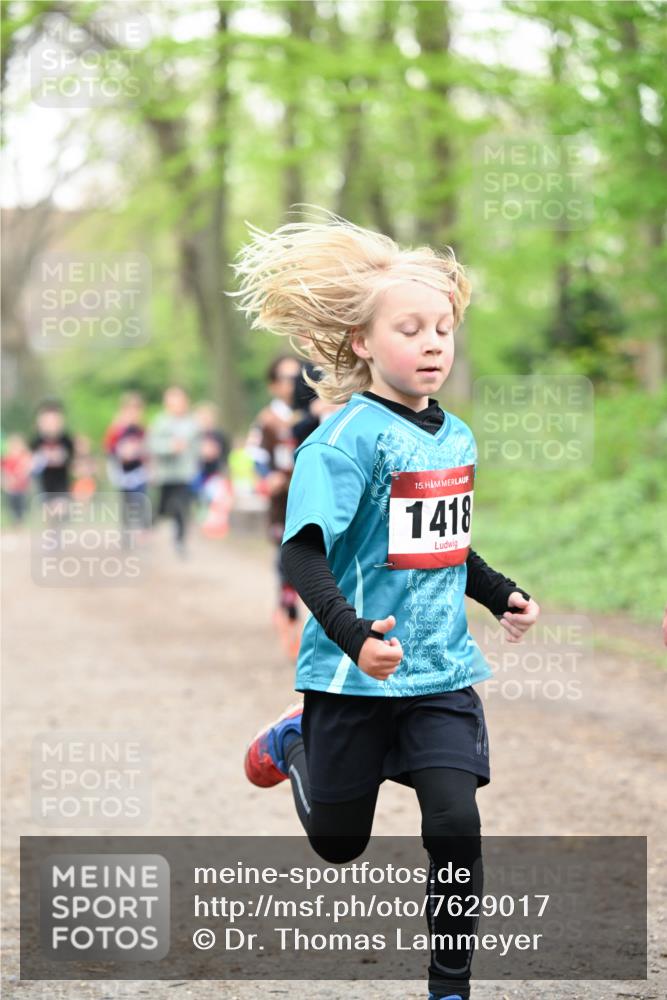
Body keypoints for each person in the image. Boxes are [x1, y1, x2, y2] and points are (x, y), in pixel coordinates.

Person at [229, 210, 541, 1000]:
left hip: (437, 670)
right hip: (352, 675)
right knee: (338, 842)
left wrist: (499, 592)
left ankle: (448, 988)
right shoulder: (342, 441)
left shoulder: (456, 437)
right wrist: (353, 634)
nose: (434, 342)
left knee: (454, 825)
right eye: (411, 328)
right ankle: (295, 740)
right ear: (363, 342)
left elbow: (441, 546)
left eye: (443, 327)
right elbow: (302, 551)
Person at [246, 355, 303, 657]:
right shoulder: (267, 419)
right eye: (285, 378)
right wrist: (269, 477)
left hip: (313, 498)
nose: (292, 384)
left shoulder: (316, 413)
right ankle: (289, 616)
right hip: (282, 504)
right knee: (287, 561)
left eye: (298, 377)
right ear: (273, 384)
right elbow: (255, 455)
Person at [148, 386, 200, 556]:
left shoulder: (192, 424)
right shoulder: (160, 422)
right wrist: (169, 447)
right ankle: (149, 529)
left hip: (184, 474)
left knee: (181, 507)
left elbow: (196, 447)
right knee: (162, 507)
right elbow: (152, 445)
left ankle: (180, 540)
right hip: (165, 475)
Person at [104, 392, 150, 534]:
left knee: (140, 498)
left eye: (137, 410)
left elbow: (148, 448)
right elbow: (109, 449)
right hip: (123, 472)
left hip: (139, 471)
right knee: (127, 500)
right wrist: (121, 453)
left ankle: (140, 527)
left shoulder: (141, 429)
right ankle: (127, 529)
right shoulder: (116, 430)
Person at [30, 400, 75, 522]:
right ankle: (52, 536)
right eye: (47, 421)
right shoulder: (36, 441)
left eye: (54, 420)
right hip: (44, 482)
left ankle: (60, 533)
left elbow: (72, 460)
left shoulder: (66, 440)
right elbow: (31, 463)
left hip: (61, 482)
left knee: (61, 509)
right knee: (49, 513)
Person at [193, 401, 232, 539]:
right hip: (199, 474)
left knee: (215, 501)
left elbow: (226, 454)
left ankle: (214, 526)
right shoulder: (195, 435)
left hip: (215, 473)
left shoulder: (219, 435)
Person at [1, 434, 32, 524]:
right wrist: (7, 480)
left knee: (22, 506)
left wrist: (20, 473)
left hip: (22, 487)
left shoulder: (24, 457)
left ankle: (21, 522)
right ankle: (15, 522)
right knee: (12, 506)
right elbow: (4, 471)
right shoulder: (6, 458)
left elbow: (26, 468)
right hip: (11, 488)